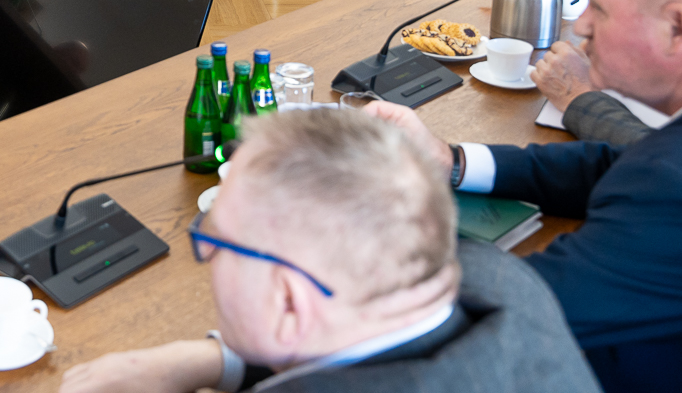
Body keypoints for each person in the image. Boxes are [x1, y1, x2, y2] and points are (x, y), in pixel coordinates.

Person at [59, 109, 600, 393]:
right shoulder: (508, 284)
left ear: (289, 301)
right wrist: (211, 361)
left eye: (213, 241)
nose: (206, 256)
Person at [371, 0, 682, 393]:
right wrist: (452, 161)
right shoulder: (661, 167)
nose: (582, 27)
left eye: (599, 8)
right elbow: (615, 165)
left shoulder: (668, 188)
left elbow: (516, 308)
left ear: (676, 27)